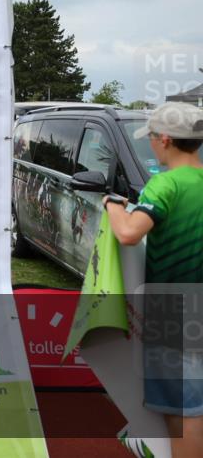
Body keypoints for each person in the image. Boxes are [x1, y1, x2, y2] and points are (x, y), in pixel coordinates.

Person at [103, 102, 203, 458]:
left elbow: (129, 233)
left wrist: (113, 206)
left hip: (172, 307)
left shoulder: (165, 185)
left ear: (165, 139)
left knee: (185, 409)